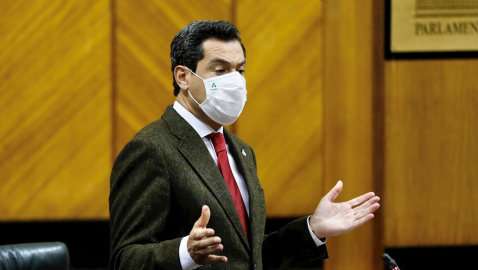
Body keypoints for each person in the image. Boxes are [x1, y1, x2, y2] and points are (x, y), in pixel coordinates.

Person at [109, 20, 380, 270]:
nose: (235, 80)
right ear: (183, 77)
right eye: (220, 70)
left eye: (239, 70)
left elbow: (250, 256)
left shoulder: (241, 150)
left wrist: (313, 229)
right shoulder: (150, 149)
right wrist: (184, 253)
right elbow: (125, 258)